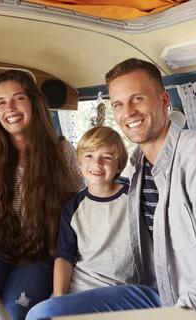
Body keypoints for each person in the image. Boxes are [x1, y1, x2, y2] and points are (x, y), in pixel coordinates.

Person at [27, 58, 196, 320]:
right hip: (156, 291)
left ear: (163, 101)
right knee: (43, 314)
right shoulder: (139, 165)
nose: (128, 112)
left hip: (191, 299)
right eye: (118, 104)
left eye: (137, 99)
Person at [0, 70, 85, 320]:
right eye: (1, 102)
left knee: (13, 312)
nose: (10, 108)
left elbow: (76, 210)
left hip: (42, 251)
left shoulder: (61, 151)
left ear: (34, 103)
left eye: (18, 98)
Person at [54, 126, 137, 297]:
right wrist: (58, 297)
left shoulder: (134, 200)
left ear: (119, 165)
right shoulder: (72, 208)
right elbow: (64, 256)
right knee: (38, 314)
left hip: (120, 290)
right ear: (79, 163)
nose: (97, 164)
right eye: (89, 156)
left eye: (106, 157)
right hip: (78, 288)